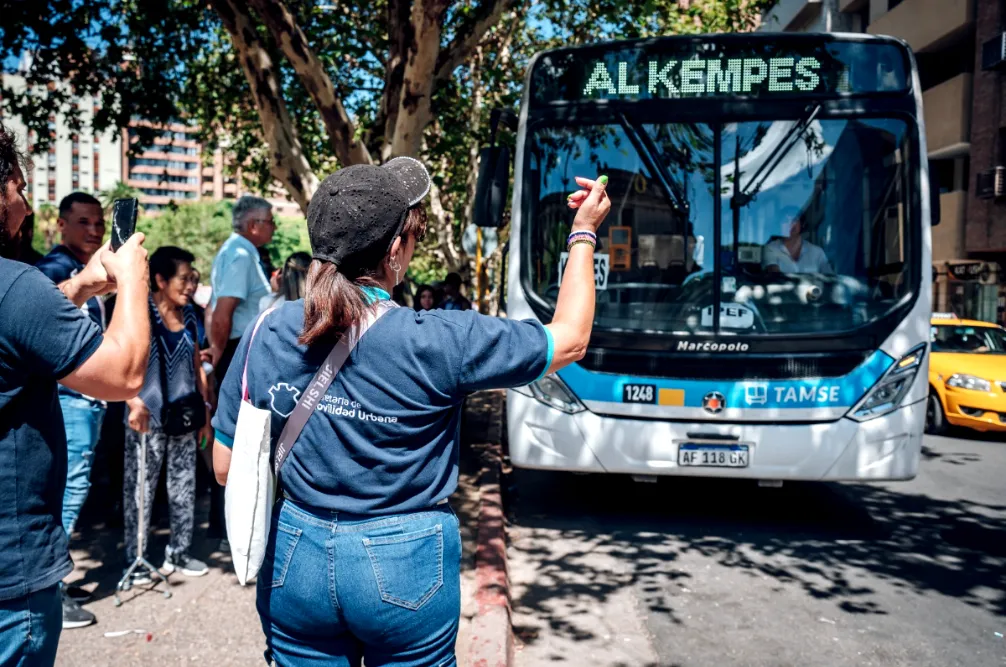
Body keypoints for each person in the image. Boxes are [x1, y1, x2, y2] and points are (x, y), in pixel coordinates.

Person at [211, 159, 610, 665]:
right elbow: (570, 338)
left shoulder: (268, 329)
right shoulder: (444, 339)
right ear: (395, 251)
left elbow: (225, 467)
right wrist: (583, 232)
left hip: (297, 557)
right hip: (405, 561)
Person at [0, 121, 151, 659]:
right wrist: (133, 277)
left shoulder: (21, 290)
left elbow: (20, 331)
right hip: (11, 579)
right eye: (19, 187)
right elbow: (123, 373)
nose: (25, 204)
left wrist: (82, 285)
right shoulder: (16, 283)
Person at [34, 191, 113, 628]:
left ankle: (56, 583)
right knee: (68, 490)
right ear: (61, 224)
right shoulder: (53, 271)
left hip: (85, 400)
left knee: (72, 487)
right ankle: (52, 591)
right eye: (83, 222)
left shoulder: (82, 268)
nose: (94, 230)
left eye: (99, 222)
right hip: (70, 398)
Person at [122, 247, 213, 587]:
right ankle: (136, 559)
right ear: (160, 280)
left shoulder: (190, 315)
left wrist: (205, 413)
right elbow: (118, 361)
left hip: (184, 416)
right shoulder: (139, 313)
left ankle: (179, 552)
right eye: (184, 279)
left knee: (184, 487)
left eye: (194, 279)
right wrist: (131, 401)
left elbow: (196, 364)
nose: (191, 286)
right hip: (146, 417)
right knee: (139, 491)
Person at [206, 195, 274, 547]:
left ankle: (228, 527)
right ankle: (227, 528)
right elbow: (223, 312)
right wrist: (218, 356)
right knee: (235, 441)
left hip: (236, 351)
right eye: (270, 221)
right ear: (253, 225)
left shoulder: (238, 251)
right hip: (237, 353)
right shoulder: (241, 254)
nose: (273, 227)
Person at [762, 206, 833, 274]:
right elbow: (774, 274)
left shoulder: (817, 252)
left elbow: (830, 278)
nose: (790, 224)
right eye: (785, 220)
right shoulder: (771, 248)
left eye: (794, 220)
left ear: (801, 224)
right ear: (779, 226)